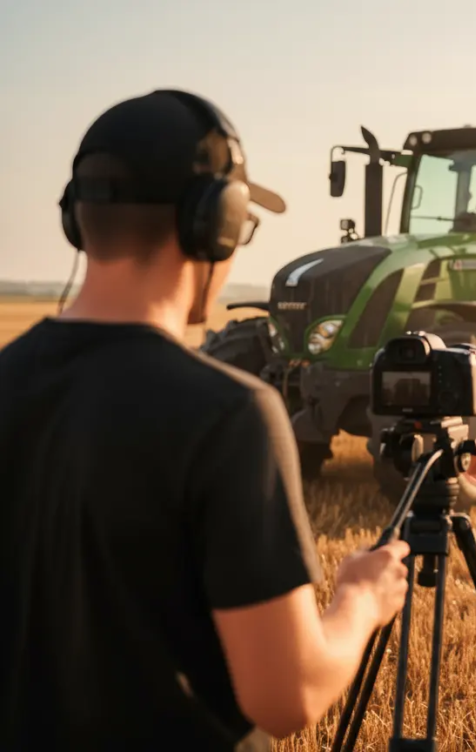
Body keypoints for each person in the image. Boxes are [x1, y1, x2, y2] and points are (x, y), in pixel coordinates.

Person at [0, 89, 410, 751]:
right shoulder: (229, 417)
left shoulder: (7, 380)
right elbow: (288, 696)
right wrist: (360, 601)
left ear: (78, 220)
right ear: (214, 224)